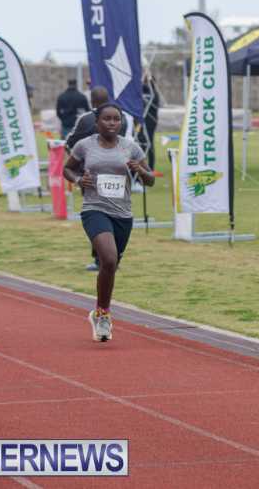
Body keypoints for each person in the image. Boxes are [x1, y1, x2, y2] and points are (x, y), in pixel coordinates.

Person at [63, 102, 154, 342]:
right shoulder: (85, 145)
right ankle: (103, 315)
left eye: (116, 119)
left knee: (110, 266)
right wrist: (79, 181)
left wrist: (141, 172)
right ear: (97, 122)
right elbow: (67, 169)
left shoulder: (130, 147)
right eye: (107, 119)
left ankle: (98, 310)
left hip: (122, 214)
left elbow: (151, 180)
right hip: (94, 209)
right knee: (109, 258)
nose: (112, 123)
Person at [67, 86, 129, 272]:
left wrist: (80, 172)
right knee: (100, 214)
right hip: (118, 172)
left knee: (98, 211)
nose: (111, 123)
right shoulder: (124, 118)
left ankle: (102, 259)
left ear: (92, 101)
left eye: (114, 120)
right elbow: (129, 142)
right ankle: (107, 259)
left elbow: (70, 141)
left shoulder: (85, 119)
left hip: (92, 175)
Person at [141, 74, 161, 173]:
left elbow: (151, 103)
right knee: (141, 143)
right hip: (141, 121)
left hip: (151, 122)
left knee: (149, 143)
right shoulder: (142, 91)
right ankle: (141, 166)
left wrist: (150, 80)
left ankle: (151, 167)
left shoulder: (155, 94)